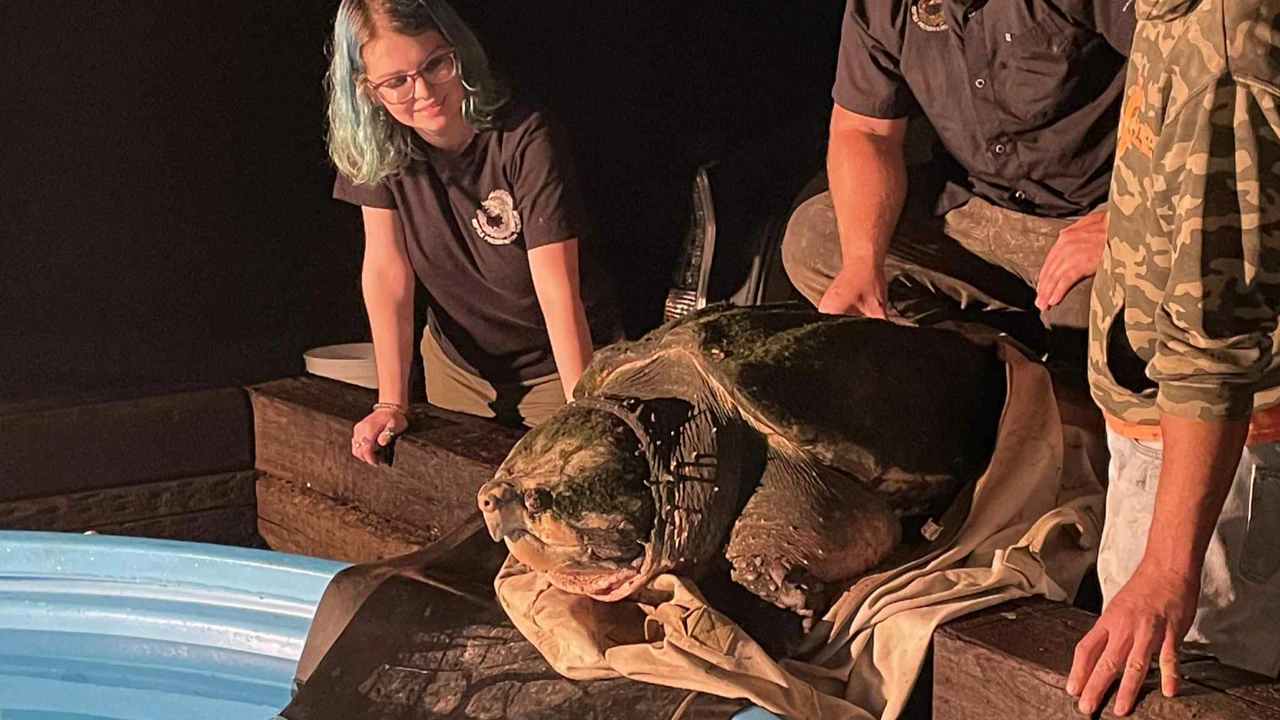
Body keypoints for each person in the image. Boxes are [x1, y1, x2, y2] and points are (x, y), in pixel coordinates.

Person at [1066, 0, 1280, 715]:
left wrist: (1165, 567)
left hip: (1220, 469)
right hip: (1173, 440)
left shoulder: (1224, 45)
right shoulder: (1177, 12)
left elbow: (1215, 340)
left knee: (1186, 692)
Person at [324, 0, 622, 460]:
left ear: (457, 49)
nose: (423, 91)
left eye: (435, 64)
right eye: (397, 82)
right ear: (368, 91)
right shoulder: (377, 147)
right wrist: (390, 403)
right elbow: (386, 270)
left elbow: (556, 288)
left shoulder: (524, 136)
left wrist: (582, 411)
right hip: (458, 370)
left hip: (558, 366)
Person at [781, 0, 1134, 371]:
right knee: (816, 238)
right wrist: (862, 261)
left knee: (1099, 330)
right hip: (972, 206)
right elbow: (865, 130)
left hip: (1092, 211)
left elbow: (1178, 90)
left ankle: (1040, 383)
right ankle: (989, 368)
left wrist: (1123, 221)